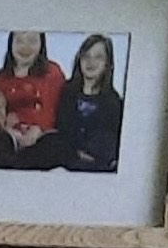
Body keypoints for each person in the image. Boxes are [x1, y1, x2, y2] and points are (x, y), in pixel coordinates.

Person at [47, 35, 124, 173]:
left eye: (98, 57)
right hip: (63, 161)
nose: (91, 62)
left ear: (108, 64)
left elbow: (110, 141)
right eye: (86, 56)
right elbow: (60, 128)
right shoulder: (66, 92)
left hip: (96, 166)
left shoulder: (114, 102)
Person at [0, 29, 65, 153]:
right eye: (19, 41)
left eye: (32, 41)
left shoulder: (52, 73)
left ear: (41, 44)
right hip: (10, 137)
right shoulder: (1, 78)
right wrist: (7, 129)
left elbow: (52, 107)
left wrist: (39, 129)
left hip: (42, 136)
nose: (25, 47)